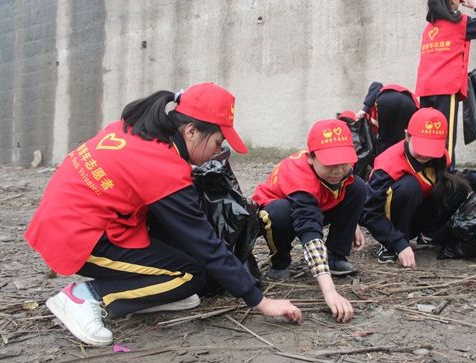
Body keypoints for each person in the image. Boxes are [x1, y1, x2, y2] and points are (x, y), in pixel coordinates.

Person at [25, 82, 302, 346]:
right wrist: (260, 301)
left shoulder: (134, 130)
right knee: (190, 276)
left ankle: (154, 293)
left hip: (63, 220)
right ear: (191, 131)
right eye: (218, 142)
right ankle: (86, 296)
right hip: (79, 237)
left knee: (181, 272)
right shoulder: (163, 168)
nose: (219, 151)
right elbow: (204, 243)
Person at [252, 119, 367, 323]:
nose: (338, 171)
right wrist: (330, 291)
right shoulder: (299, 176)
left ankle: (335, 256)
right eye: (330, 165)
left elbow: (343, 192)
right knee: (277, 213)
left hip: (318, 204)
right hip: (281, 211)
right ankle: (279, 260)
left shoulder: (343, 172)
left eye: (343, 163)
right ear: (311, 157)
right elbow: (310, 229)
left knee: (357, 187)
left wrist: (352, 223)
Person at [361, 108, 476, 267]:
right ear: (407, 136)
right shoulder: (387, 166)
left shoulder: (438, 156)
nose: (426, 155)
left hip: (417, 213)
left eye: (432, 149)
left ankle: (428, 233)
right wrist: (397, 242)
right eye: (423, 147)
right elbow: (370, 213)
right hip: (393, 221)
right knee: (410, 187)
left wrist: (475, 177)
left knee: (459, 186)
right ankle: (390, 245)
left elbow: (450, 174)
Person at [415, 0, 476, 170]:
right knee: (445, 137)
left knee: (427, 136)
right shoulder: (458, 23)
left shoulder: (429, 28)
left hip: (425, 88)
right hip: (445, 87)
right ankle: (447, 176)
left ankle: (430, 175)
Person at [356, 82, 420, 155]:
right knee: (401, 140)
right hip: (409, 103)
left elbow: (376, 84)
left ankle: (380, 163)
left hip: (388, 100)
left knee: (384, 139)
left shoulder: (379, 92)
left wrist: (364, 109)